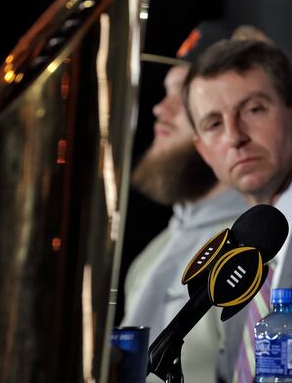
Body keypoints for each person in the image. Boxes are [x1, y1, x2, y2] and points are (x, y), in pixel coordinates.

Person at [182, 39, 292, 383]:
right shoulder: (237, 241)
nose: (235, 137)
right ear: (203, 151)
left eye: (253, 110)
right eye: (214, 124)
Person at [122, 21, 261, 383]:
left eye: (182, 96)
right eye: (166, 92)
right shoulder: (151, 256)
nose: (159, 109)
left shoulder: (256, 249)